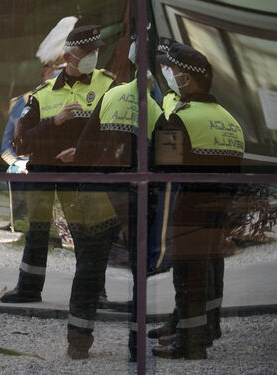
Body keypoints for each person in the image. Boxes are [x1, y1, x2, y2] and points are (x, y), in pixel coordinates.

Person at [10, 25, 119, 359]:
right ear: (69, 56)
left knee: (88, 241)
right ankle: (28, 288)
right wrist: (54, 123)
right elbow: (23, 140)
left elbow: (118, 131)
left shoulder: (110, 85)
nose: (94, 57)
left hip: (86, 175)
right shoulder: (42, 94)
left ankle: (95, 294)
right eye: (87, 53)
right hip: (46, 173)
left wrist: (85, 151)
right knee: (37, 231)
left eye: (96, 51)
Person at [73, 33, 164, 361]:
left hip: (99, 190)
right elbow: (162, 165)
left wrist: (84, 186)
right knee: (140, 271)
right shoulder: (157, 109)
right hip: (135, 197)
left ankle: (78, 341)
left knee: (89, 267)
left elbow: (84, 148)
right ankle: (135, 347)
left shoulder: (110, 97)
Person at [151, 43, 244, 359]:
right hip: (219, 207)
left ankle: (190, 342)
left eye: (172, 70)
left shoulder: (181, 118)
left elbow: (163, 165)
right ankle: (205, 329)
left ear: (187, 79)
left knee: (188, 270)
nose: (168, 75)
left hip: (190, 204)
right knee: (210, 263)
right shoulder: (230, 120)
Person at [0, 16, 78, 233]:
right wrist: (20, 164)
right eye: (59, 67)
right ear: (47, 71)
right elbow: (7, 146)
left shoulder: (83, 98)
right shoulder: (25, 102)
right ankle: (24, 223)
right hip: (35, 165)